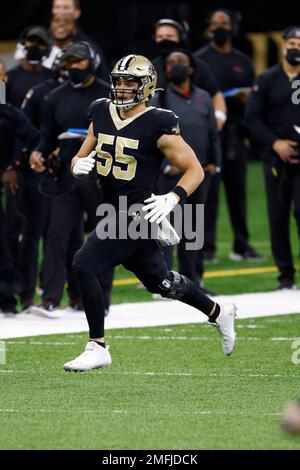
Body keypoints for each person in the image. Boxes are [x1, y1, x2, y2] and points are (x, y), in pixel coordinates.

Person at [62, 54, 237, 372]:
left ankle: (97, 346)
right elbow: (85, 147)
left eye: (131, 81)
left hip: (138, 213)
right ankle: (217, 311)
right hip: (111, 208)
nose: (123, 87)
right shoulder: (100, 109)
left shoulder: (159, 121)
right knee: (161, 282)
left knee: (84, 263)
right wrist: (77, 166)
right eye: (119, 80)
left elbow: (195, 169)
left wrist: (173, 197)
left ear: (147, 85)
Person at [29, 41, 112, 316]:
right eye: (69, 64)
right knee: (56, 234)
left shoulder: (107, 94)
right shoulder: (56, 96)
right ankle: (50, 298)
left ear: (92, 62)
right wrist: (38, 153)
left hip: (101, 175)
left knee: (102, 234)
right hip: (66, 174)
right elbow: (47, 134)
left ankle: (97, 299)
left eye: (79, 62)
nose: (74, 68)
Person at [194, 9, 265, 262]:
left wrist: (246, 99)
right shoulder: (199, 61)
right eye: (215, 24)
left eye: (224, 23)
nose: (220, 28)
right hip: (210, 135)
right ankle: (207, 247)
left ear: (233, 27)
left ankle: (242, 245)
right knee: (207, 193)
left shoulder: (243, 62)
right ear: (208, 28)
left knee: (238, 192)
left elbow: (255, 99)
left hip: (235, 133)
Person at [150, 48, 221, 295]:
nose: (173, 66)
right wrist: (163, 165)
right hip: (168, 173)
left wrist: (215, 162)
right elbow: (149, 137)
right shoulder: (158, 99)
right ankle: (163, 280)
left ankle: (193, 281)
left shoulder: (203, 97)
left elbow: (212, 132)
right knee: (166, 227)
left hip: (198, 173)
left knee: (194, 228)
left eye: (179, 62)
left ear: (191, 68)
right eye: (169, 62)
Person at [245, 26, 300, 290]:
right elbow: (251, 119)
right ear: (282, 45)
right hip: (276, 161)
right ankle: (285, 275)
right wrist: (275, 142)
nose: (296, 46)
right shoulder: (267, 79)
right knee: (278, 217)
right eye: (292, 41)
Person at [152, 18, 227, 130]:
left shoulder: (198, 65)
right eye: (160, 37)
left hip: (196, 128)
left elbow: (216, 95)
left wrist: (219, 117)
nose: (164, 40)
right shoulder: (150, 68)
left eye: (169, 36)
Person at [0, 104, 40, 315]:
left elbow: (33, 137)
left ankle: (7, 300)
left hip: (6, 182)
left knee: (3, 241)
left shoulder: (8, 112)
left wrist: (12, 165)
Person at [6, 26, 53, 108]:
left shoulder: (53, 78)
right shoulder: (7, 77)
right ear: (23, 44)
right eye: (31, 41)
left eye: (40, 42)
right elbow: (1, 107)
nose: (35, 45)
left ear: (47, 47)